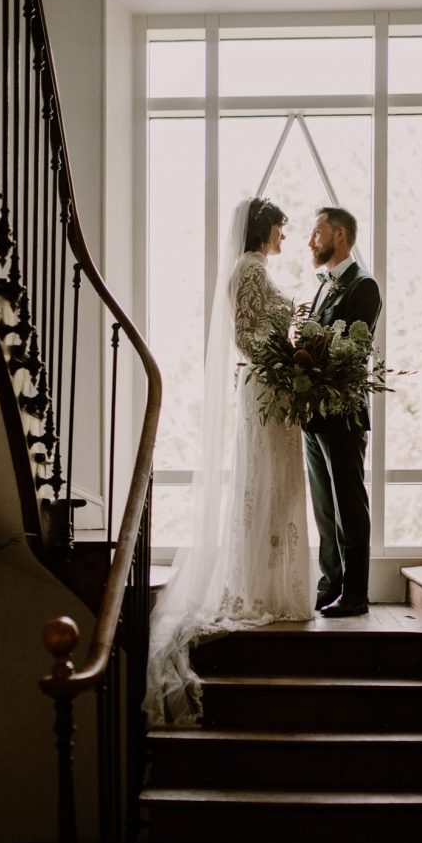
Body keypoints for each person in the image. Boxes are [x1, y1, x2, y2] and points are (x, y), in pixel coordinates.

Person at [144, 197, 313, 727]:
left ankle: (274, 583)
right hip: (265, 386)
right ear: (264, 230)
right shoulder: (247, 269)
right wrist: (282, 360)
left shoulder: (259, 269)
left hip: (277, 388)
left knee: (279, 482)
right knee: (263, 482)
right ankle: (258, 587)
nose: (285, 238)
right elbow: (242, 334)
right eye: (281, 230)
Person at [303, 206, 382, 618]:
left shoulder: (363, 286)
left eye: (317, 233)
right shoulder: (323, 286)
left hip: (343, 413)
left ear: (340, 234)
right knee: (323, 504)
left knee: (349, 503)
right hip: (314, 413)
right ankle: (329, 583)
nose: (310, 241)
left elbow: (351, 351)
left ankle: (356, 594)